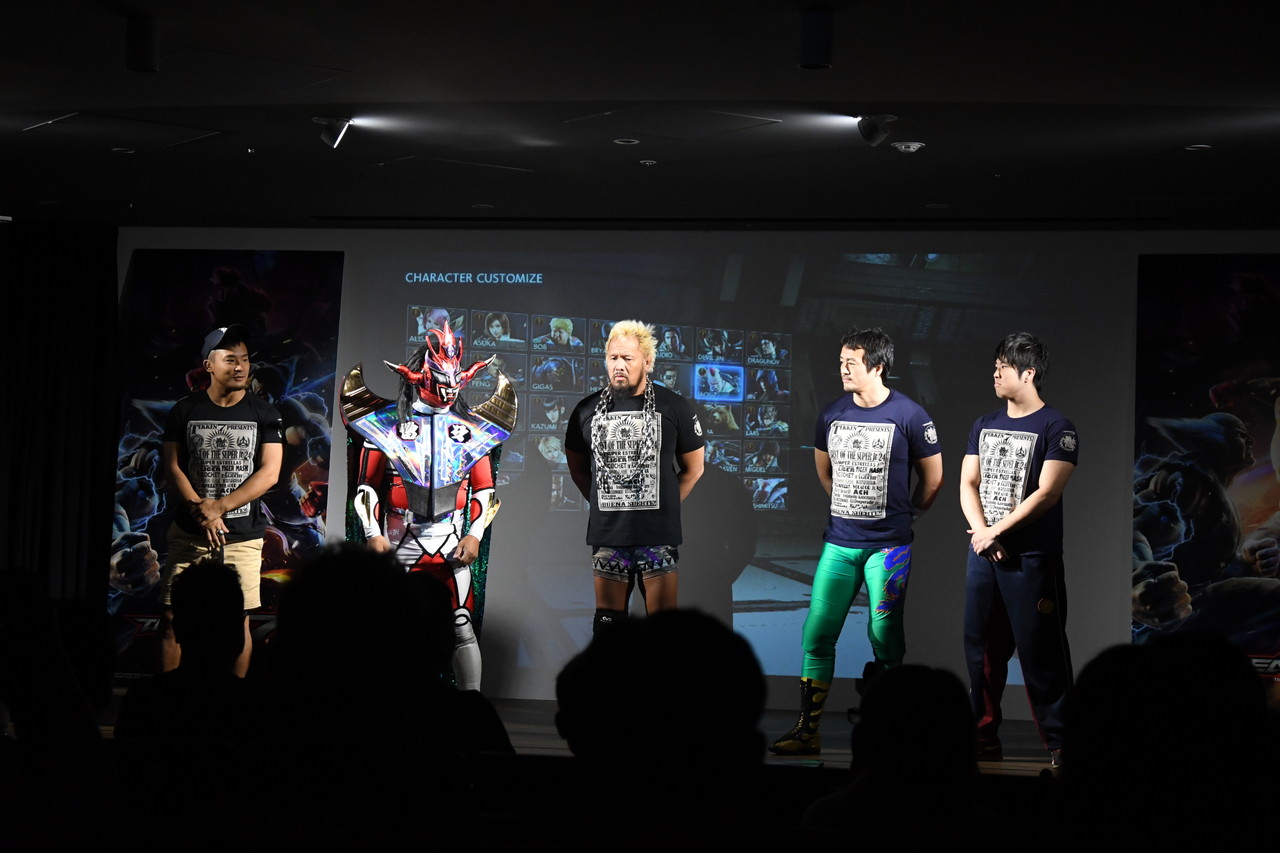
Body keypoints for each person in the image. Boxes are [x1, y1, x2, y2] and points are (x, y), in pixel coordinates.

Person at [770, 328, 943, 756]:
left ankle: (891, 729)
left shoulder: (910, 415)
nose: (843, 369)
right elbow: (824, 471)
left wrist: (909, 515)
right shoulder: (832, 413)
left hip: (889, 548)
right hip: (840, 544)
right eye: (841, 361)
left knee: (885, 635)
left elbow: (933, 478)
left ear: (878, 366)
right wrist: (848, 508)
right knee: (817, 633)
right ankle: (807, 730)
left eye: (852, 362)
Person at [343, 322, 516, 691]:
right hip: (397, 540)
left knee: (461, 626)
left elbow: (484, 489)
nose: (450, 387)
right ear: (419, 376)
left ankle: (470, 706)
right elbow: (366, 487)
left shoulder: (473, 428)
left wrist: (474, 533)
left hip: (451, 541)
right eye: (441, 377)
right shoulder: (385, 425)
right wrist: (372, 534)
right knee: (390, 625)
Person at [960, 332, 1077, 768]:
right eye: (995, 365)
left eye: (1004, 367)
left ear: (1028, 374)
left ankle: (1062, 742)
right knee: (981, 652)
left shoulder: (1057, 427)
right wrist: (981, 533)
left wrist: (996, 532)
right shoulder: (983, 423)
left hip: (1031, 560)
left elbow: (1047, 493)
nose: (995, 373)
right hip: (983, 556)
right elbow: (967, 482)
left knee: (1041, 653)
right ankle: (982, 735)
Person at [564, 320, 705, 632]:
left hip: (658, 536)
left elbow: (695, 468)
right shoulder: (585, 410)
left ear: (648, 362)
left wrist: (667, 504)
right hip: (609, 536)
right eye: (613, 357)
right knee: (608, 629)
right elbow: (577, 468)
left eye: (627, 358)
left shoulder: (674, 406)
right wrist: (603, 502)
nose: (619, 365)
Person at [162, 324, 284, 677]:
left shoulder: (265, 413)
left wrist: (220, 507)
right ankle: (169, 698)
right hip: (190, 533)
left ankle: (232, 701)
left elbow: (270, 472)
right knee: (171, 618)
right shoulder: (184, 410)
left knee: (238, 621)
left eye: (244, 359)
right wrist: (203, 512)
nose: (240, 366)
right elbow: (172, 467)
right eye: (230, 359)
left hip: (241, 536)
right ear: (208, 365)